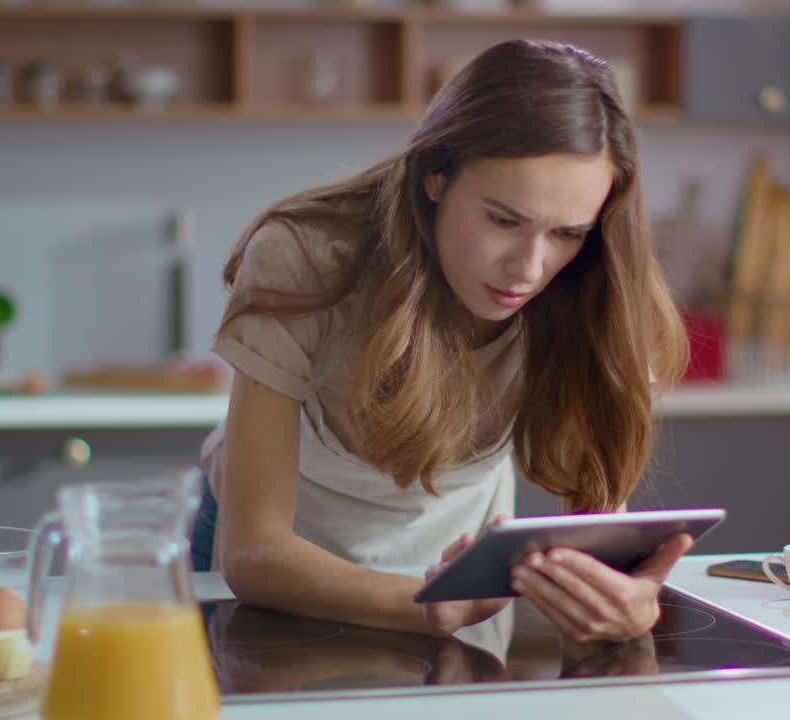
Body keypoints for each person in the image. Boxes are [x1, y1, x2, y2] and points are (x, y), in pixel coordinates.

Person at [192, 38, 692, 643]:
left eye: (566, 232)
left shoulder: (593, 283)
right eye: (504, 220)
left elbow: (595, 537)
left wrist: (627, 598)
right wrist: (423, 603)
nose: (529, 268)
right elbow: (253, 554)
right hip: (286, 576)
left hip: (453, 583)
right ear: (435, 176)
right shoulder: (305, 256)